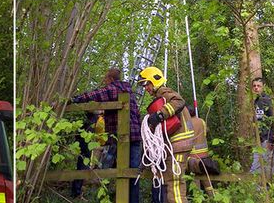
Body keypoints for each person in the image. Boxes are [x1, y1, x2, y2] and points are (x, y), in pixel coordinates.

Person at [71, 68, 142, 203]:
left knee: (116, 170)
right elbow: (137, 114)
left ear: (110, 79)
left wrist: (72, 100)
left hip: (121, 137)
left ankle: (113, 197)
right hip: (135, 135)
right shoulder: (129, 91)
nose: (104, 81)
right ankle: (130, 200)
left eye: (105, 79)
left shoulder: (113, 89)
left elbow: (92, 95)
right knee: (132, 172)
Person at [138, 66, 194, 203]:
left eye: (147, 84)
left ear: (154, 80)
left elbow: (179, 101)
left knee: (174, 185)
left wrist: (159, 115)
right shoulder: (161, 97)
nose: (146, 88)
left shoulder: (164, 92)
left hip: (179, 146)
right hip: (176, 146)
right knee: (170, 184)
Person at [250, 77, 274, 177]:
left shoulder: (266, 100)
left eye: (259, 86)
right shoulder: (256, 101)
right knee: (261, 166)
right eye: (254, 86)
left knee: (271, 166)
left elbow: (271, 119)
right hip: (260, 139)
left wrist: (271, 139)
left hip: (267, 139)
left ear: (263, 87)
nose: (256, 88)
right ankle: (261, 190)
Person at [187, 106, 218, 197]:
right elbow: (206, 132)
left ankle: (197, 198)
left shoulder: (187, 123)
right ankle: (212, 197)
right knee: (206, 180)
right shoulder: (202, 121)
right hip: (205, 155)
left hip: (193, 156)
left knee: (195, 179)